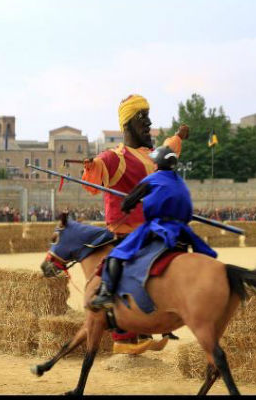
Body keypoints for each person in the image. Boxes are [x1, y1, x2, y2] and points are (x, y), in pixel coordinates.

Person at [82, 94, 186, 350]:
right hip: (126, 231)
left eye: (148, 116)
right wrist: (91, 166)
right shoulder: (114, 157)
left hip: (153, 229)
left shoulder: (151, 156)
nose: (148, 122)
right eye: (142, 117)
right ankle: (121, 333)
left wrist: (180, 136)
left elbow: (169, 149)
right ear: (127, 124)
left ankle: (153, 323)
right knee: (121, 270)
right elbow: (94, 179)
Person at [89, 146, 217, 310]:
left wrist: (128, 205)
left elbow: (127, 202)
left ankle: (106, 295)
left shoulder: (152, 179)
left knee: (116, 255)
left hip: (159, 228)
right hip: (182, 231)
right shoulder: (180, 182)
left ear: (156, 164)